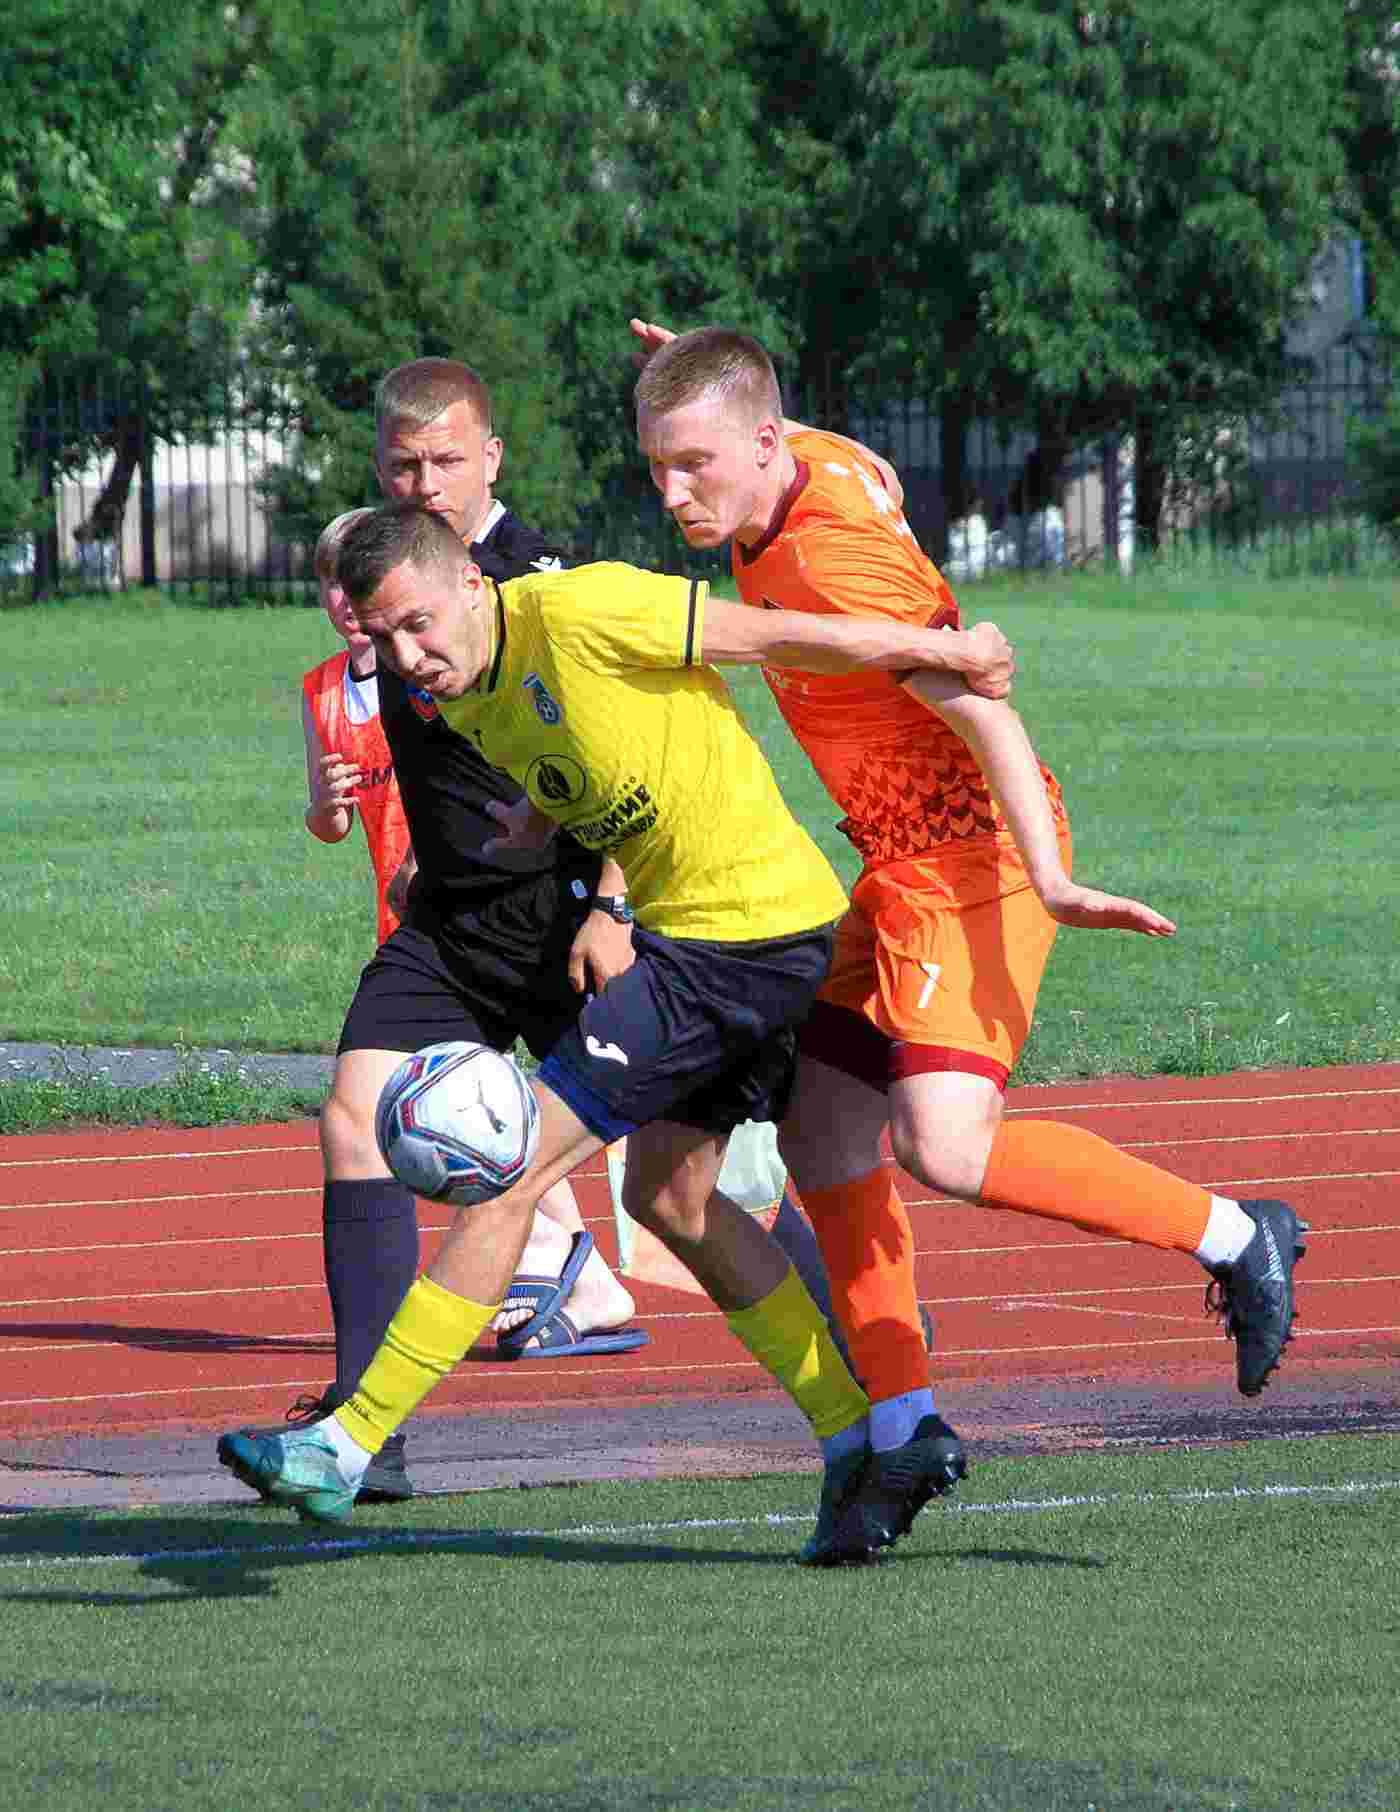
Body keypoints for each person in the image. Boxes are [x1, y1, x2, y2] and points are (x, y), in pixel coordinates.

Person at [629, 322, 1309, 1563]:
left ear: (763, 444)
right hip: (894, 859)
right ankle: (902, 1427)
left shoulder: (839, 571)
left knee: (939, 1146)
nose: (674, 494)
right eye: (658, 466)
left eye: (693, 466)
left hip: (972, 853)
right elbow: (795, 429)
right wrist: (702, 363)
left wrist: (1048, 877)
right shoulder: (807, 468)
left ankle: (1231, 1233)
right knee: (821, 1135)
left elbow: (982, 701)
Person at [217, 500, 1015, 1537]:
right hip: (723, 940)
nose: (407, 655)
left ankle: (348, 1439)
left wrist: (941, 646)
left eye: (417, 622)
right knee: (669, 1198)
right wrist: (531, 819)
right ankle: (858, 1438)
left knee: (515, 1173)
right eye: (382, 638)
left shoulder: (585, 609)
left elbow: (773, 634)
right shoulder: (466, 699)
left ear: (471, 582)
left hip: (739, 938)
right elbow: (593, 751)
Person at [254, 361, 652, 1508]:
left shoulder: (541, 582)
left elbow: (631, 755)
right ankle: (358, 1432)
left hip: (577, 922)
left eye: (443, 460)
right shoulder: (385, 580)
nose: (421, 481)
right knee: (353, 1114)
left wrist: (617, 904)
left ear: (491, 459)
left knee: (698, 1168)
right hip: (454, 929)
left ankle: (880, 1363)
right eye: (400, 463)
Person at [302, 508, 413, 948]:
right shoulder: (322, 690)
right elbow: (332, 826)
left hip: (459, 891)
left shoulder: (425, 673)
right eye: (334, 582)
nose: (348, 597)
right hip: (396, 904)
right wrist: (326, 804)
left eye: (360, 579)